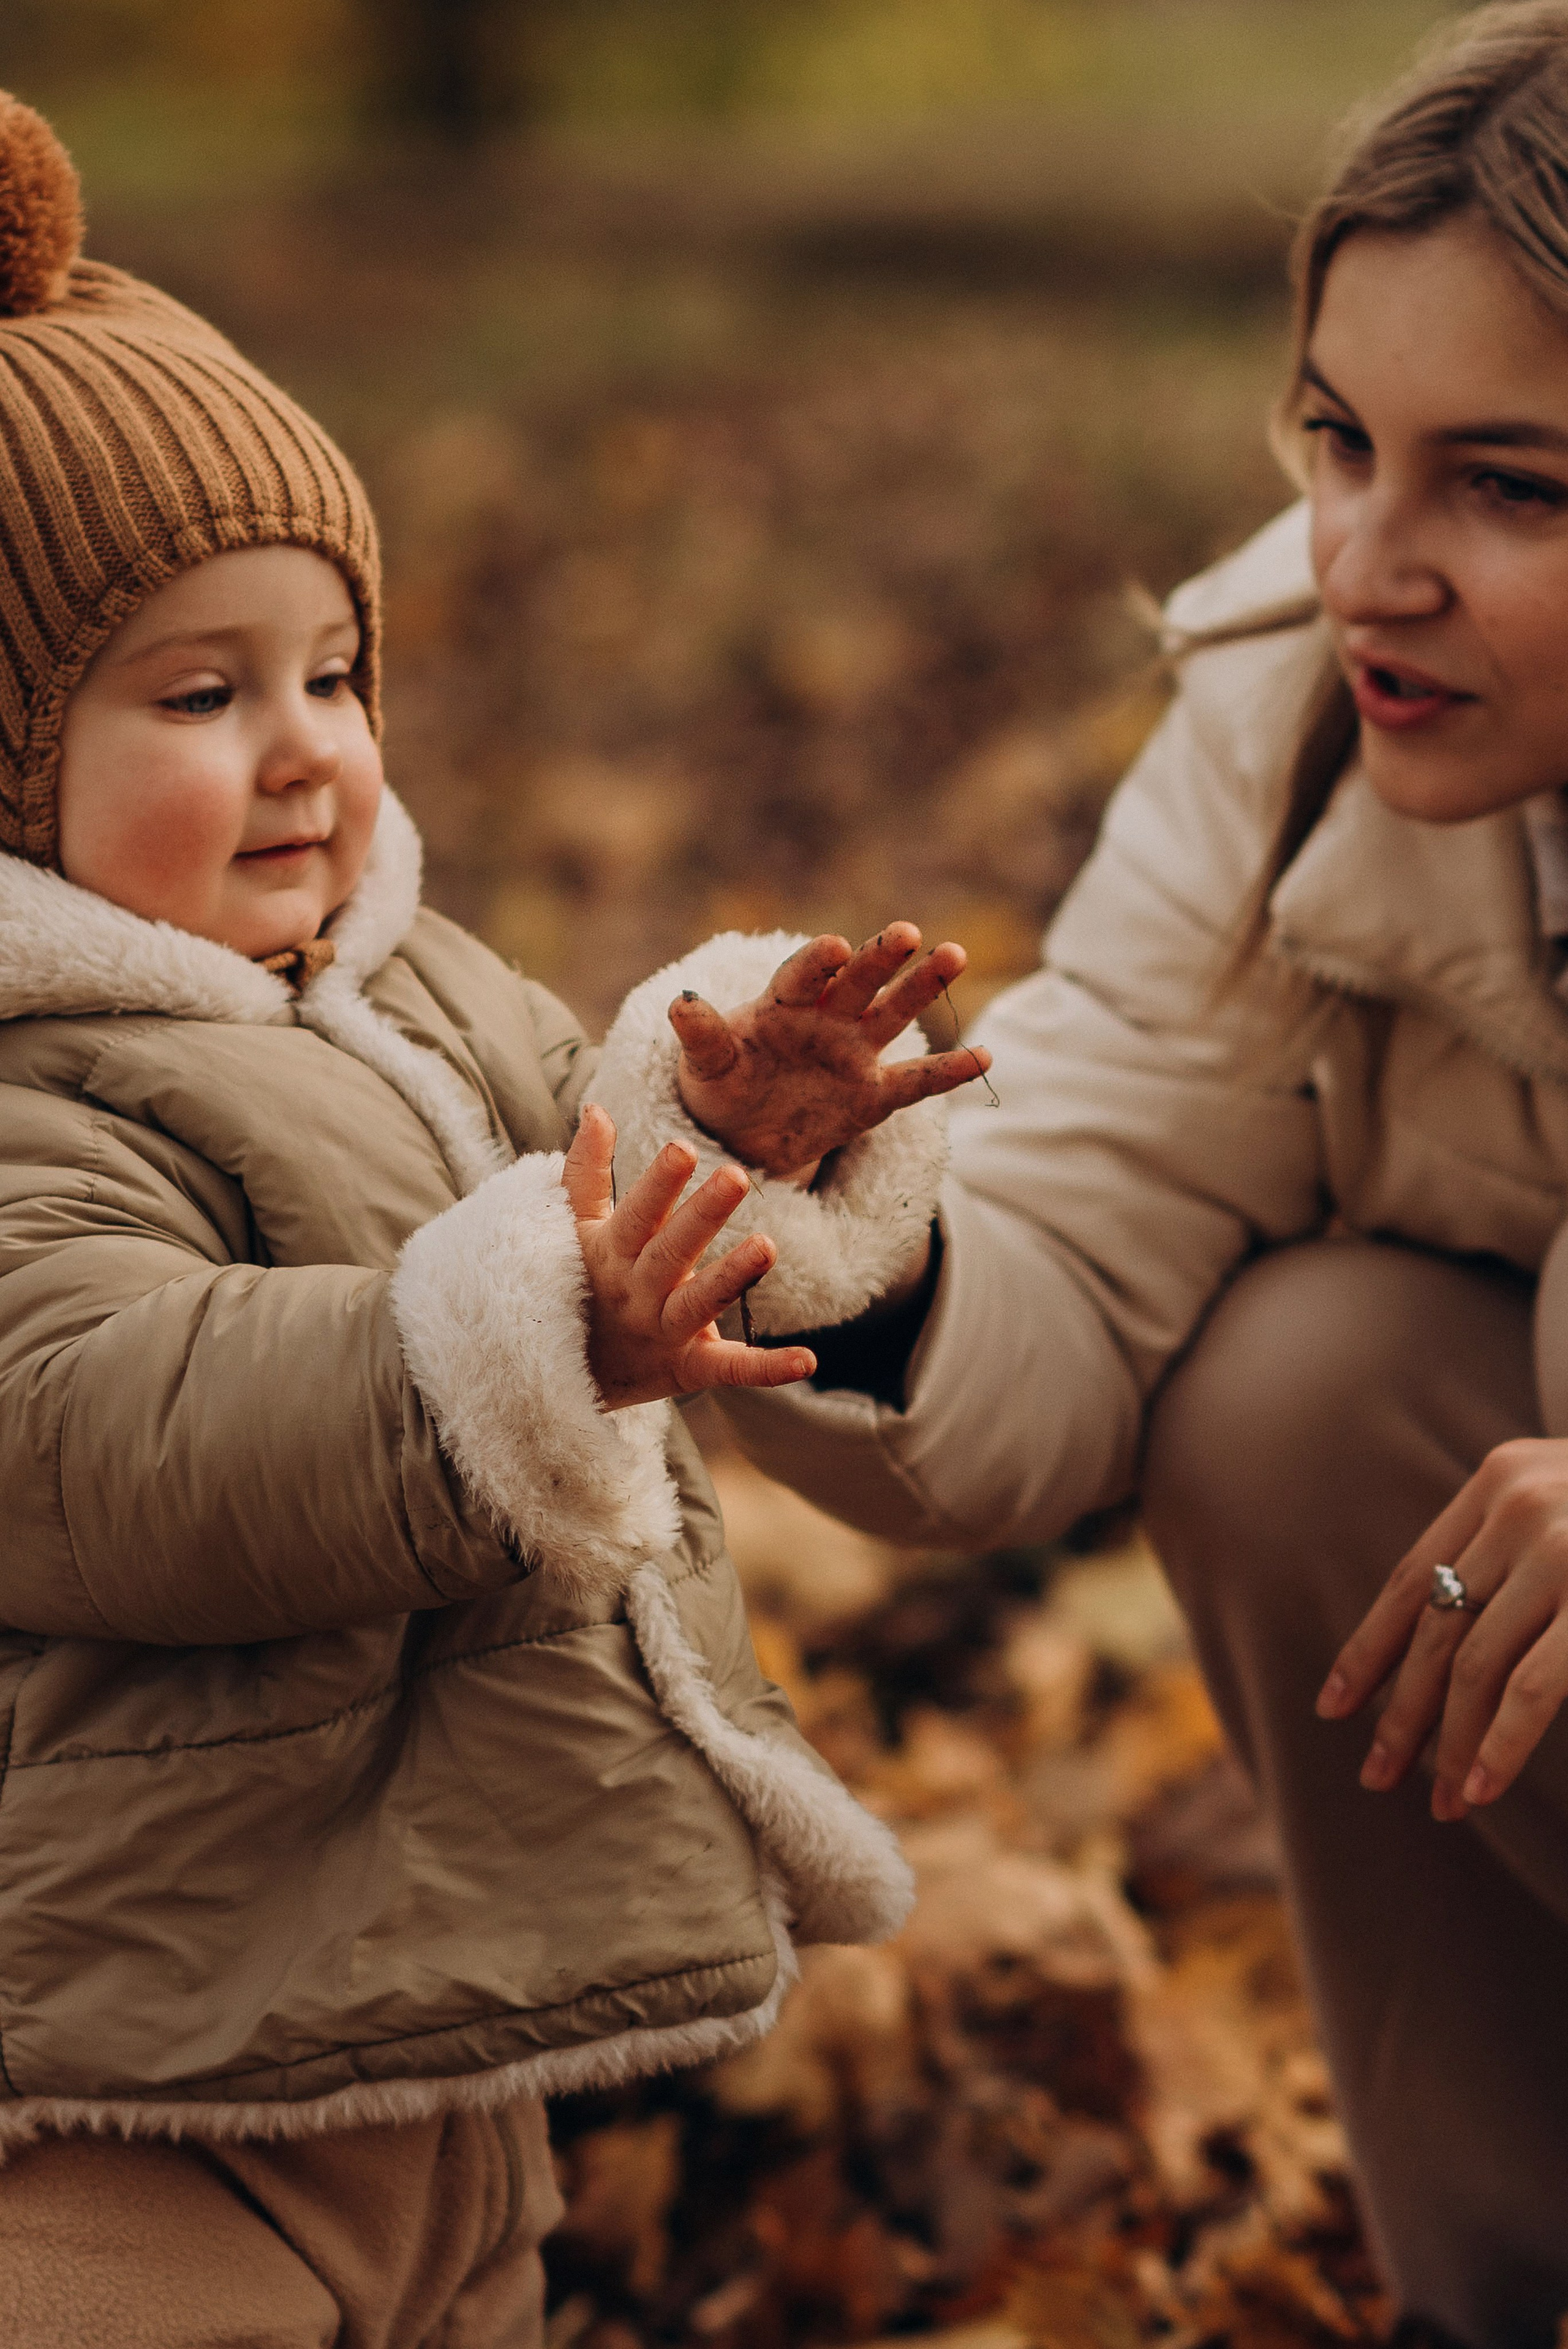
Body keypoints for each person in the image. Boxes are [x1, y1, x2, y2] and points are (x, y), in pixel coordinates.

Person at [0, 93, 990, 2346]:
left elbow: (595, 1197)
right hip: (127, 2058)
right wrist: (519, 1327)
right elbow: (105, 1430)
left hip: (435, 2001)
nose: (306, 750)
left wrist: (733, 1140)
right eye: (200, 694)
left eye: (334, 672)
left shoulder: (416, 987)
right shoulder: (29, 1088)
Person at [717, 8, 1568, 2342]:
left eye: (1511, 487)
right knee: (1301, 1393)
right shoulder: (1301, 710)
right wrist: (840, 1237)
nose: (1367, 564)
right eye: (1340, 439)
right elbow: (1084, 1252)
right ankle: (1508, 2285)